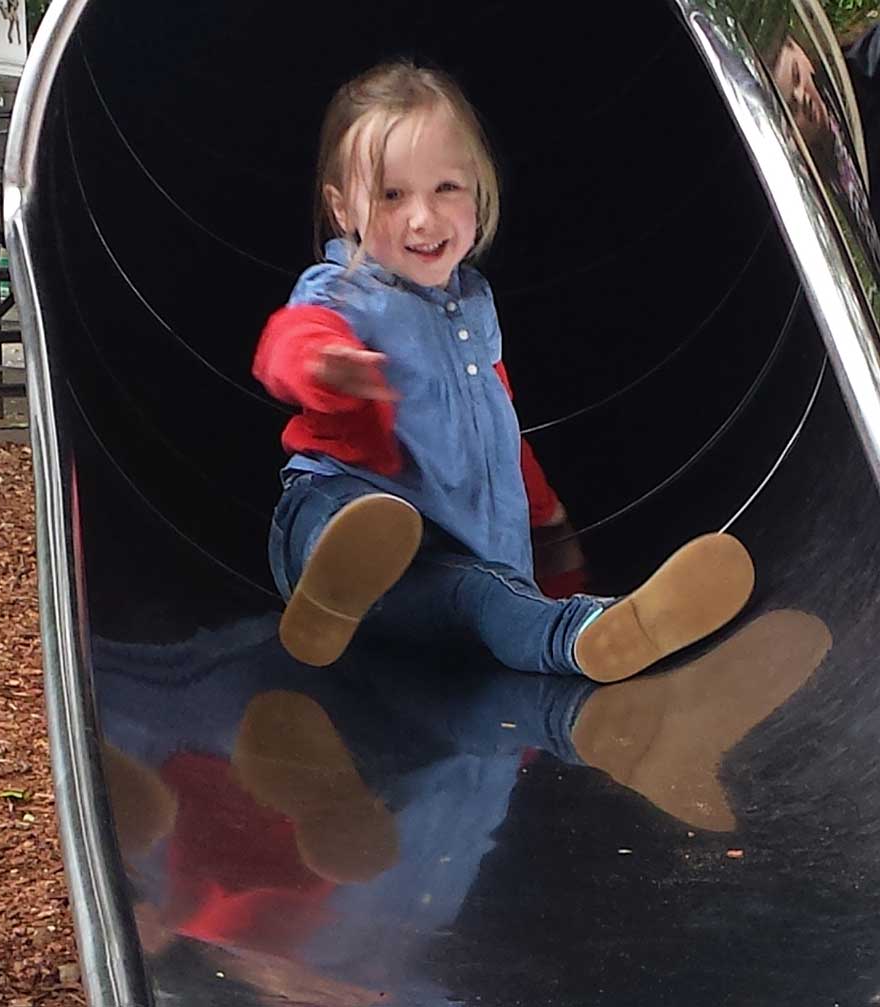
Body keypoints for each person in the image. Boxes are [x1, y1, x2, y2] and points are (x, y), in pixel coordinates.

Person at [253, 60, 756, 677]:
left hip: (437, 578)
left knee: (489, 597)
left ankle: (589, 632)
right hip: (333, 515)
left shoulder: (475, 304)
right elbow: (287, 339)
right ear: (342, 211)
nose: (423, 216)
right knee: (337, 510)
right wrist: (322, 366)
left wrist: (548, 521)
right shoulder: (346, 290)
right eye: (391, 194)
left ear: (477, 187)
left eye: (446, 188)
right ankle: (335, 580)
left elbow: (493, 430)